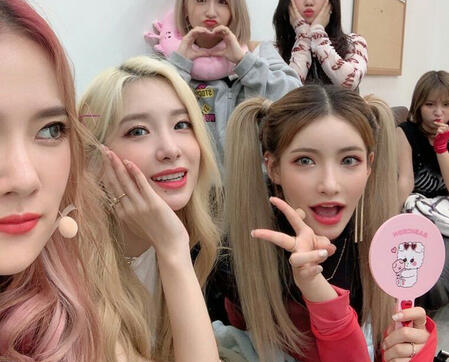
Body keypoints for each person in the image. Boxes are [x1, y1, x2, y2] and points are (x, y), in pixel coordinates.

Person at [214, 85, 436, 361]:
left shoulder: (393, 253)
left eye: (349, 160)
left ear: (369, 166)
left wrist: (416, 350)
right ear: (273, 168)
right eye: (305, 161)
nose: (330, 185)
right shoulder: (233, 260)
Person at [0, 0, 152, 361]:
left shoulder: (70, 298)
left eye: (50, 129)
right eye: (138, 130)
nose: (24, 179)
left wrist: (174, 250)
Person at [78, 56, 222, 361]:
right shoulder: (74, 271)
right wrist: (172, 249)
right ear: (94, 157)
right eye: (138, 131)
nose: (170, 149)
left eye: (182, 125)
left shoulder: (190, 238)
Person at [163, 0, 301, 164]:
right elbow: (157, 115)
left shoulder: (259, 52)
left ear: (234, 9)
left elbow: (295, 99)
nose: (211, 11)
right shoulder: (170, 66)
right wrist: (179, 66)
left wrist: (244, 63)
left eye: (223, 1)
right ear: (185, 8)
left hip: (248, 177)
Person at [397, 70, 449, 311]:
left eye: (446, 105)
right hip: (418, 214)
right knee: (429, 276)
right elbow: (405, 180)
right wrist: (389, 220)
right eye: (430, 104)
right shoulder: (405, 132)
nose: (439, 112)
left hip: (445, 215)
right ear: (418, 105)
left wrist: (442, 149)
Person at [273, 0, 367, 90]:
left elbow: (349, 82)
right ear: (288, 0)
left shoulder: (354, 43)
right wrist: (303, 37)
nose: (309, 1)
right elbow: (286, 92)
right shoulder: (274, 50)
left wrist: (318, 33)